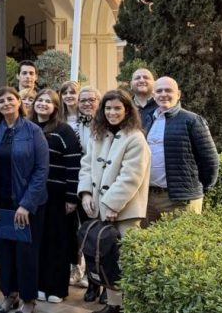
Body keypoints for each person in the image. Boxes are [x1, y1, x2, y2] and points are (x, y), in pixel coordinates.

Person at [0, 87, 49, 313]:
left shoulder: (33, 131)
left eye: (10, 99)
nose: (6, 103)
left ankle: (28, 301)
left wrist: (26, 205)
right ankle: (10, 296)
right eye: (1, 101)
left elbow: (41, 170)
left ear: (19, 102)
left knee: (26, 254)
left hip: (27, 205)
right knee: (5, 253)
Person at [78, 90, 150, 313]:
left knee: (126, 259)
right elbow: (87, 165)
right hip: (100, 206)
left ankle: (131, 305)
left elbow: (131, 177)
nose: (112, 112)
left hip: (126, 211)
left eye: (117, 108)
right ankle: (114, 304)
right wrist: (86, 193)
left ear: (127, 110)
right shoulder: (97, 134)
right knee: (108, 257)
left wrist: (111, 205)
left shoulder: (135, 138)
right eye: (108, 108)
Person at [141, 77, 219, 228]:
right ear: (153, 95)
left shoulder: (192, 120)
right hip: (148, 199)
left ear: (178, 94)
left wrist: (197, 189)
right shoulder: (146, 120)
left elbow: (210, 160)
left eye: (168, 90)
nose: (164, 94)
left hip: (180, 201)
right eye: (159, 91)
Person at [29, 89, 82, 304]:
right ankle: (40, 285)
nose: (42, 104)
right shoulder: (28, 128)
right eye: (39, 100)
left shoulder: (64, 130)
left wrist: (71, 197)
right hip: (34, 196)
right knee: (38, 242)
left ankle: (57, 289)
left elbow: (74, 163)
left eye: (48, 102)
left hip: (58, 196)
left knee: (57, 242)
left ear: (55, 107)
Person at [72, 86, 101, 292]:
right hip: (83, 188)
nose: (87, 103)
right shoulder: (76, 126)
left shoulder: (107, 123)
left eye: (91, 99)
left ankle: (107, 285)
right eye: (83, 100)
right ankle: (92, 282)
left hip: (104, 189)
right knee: (87, 236)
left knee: (105, 239)